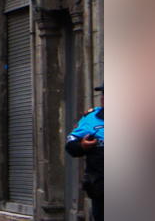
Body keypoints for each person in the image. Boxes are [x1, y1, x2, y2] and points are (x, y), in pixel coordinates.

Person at [66, 85, 104, 221]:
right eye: (104, 95)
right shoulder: (91, 119)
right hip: (101, 187)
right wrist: (82, 146)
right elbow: (70, 144)